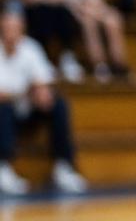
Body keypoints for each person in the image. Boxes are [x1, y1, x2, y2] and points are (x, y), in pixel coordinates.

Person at [0, 12, 88, 195]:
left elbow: (43, 81)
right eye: (7, 28)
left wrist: (42, 92)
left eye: (15, 28)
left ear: (22, 29)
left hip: (27, 109)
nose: (11, 32)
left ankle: (63, 167)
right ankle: (3, 168)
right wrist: (25, 91)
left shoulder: (31, 48)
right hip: (6, 113)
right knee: (4, 108)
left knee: (58, 104)